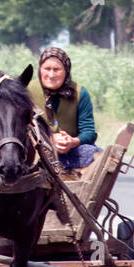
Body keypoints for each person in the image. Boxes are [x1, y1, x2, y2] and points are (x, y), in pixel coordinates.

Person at [27, 46, 100, 179]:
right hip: (37, 152)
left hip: (70, 153)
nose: (51, 74)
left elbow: (89, 132)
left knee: (97, 155)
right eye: (47, 69)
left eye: (57, 69)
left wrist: (73, 142)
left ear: (66, 71)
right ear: (40, 70)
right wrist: (49, 140)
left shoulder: (80, 93)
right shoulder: (27, 90)